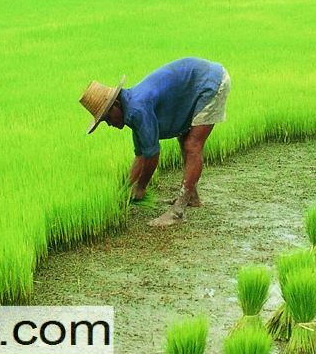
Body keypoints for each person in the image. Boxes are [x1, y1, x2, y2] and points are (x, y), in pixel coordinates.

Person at [79, 57, 230, 227]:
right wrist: (126, 189)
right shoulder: (130, 108)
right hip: (194, 82)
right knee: (184, 137)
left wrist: (141, 186)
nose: (110, 123)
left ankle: (178, 212)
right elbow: (141, 155)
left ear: (116, 105)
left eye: (107, 118)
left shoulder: (137, 109)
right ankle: (192, 196)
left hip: (211, 83)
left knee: (193, 145)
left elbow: (152, 155)